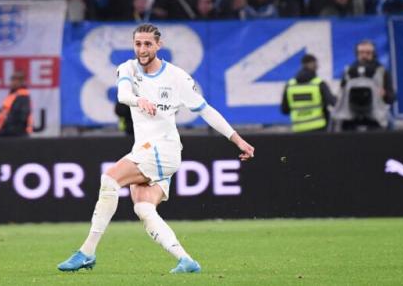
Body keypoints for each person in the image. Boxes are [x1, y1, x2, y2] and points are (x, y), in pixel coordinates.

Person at [57, 24, 255, 274]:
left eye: (148, 44)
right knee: (143, 207)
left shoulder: (177, 77)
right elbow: (122, 94)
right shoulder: (127, 68)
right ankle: (186, 261)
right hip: (148, 149)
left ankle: (87, 252)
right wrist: (139, 100)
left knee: (110, 180)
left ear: (159, 46)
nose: (142, 49)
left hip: (165, 149)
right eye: (138, 43)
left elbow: (206, 110)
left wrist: (237, 140)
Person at [332, 40, 396, 131]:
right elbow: (341, 96)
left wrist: (385, 94)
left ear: (374, 54)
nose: (364, 55)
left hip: (375, 121)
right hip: (350, 121)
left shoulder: (382, 72)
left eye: (368, 53)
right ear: (356, 53)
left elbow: (392, 97)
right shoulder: (349, 72)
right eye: (361, 52)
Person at [281, 54, 336, 132]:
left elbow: (284, 110)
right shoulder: (318, 84)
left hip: (298, 130)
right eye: (316, 64)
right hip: (319, 129)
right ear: (314, 65)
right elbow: (332, 102)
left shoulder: (290, 85)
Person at [0, 71, 32, 137]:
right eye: (12, 80)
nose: (12, 82)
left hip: (16, 134)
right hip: (6, 131)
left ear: (21, 82)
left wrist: (6, 129)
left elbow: (21, 117)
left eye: (15, 80)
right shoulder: (13, 95)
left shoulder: (23, 96)